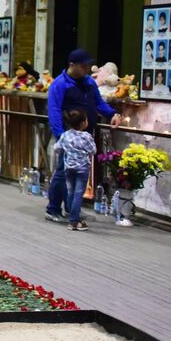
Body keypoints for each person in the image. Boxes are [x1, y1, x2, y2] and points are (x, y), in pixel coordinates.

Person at [45, 48, 116, 223]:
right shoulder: (60, 84)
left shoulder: (89, 83)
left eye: (88, 66)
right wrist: (61, 136)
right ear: (72, 65)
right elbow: (54, 111)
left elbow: (98, 103)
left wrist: (112, 114)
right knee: (63, 172)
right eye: (83, 66)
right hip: (68, 137)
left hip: (85, 137)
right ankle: (53, 209)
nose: (86, 69)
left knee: (77, 176)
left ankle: (71, 209)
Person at [58, 109, 96, 231]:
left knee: (71, 193)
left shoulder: (65, 135)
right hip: (82, 169)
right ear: (83, 123)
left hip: (68, 168)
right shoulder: (86, 137)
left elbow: (57, 148)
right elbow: (93, 151)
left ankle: (73, 218)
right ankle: (74, 221)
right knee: (78, 194)